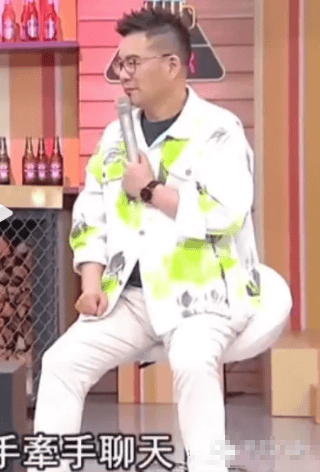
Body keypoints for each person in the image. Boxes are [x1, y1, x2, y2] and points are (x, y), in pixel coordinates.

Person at [31, 8, 260, 472]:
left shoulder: (218, 130)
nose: (123, 74)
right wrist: (91, 284)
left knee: (193, 364)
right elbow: (91, 213)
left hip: (202, 293)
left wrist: (152, 190)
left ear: (172, 65)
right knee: (60, 363)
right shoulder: (116, 136)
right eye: (120, 63)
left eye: (133, 63)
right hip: (130, 298)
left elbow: (228, 212)